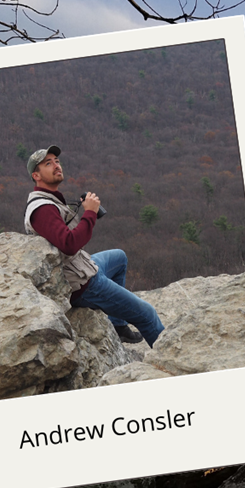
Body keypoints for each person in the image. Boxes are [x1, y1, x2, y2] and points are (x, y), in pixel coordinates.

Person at [23, 145, 164, 347]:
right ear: (36, 176)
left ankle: (118, 326)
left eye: (57, 161)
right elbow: (69, 244)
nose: (56, 165)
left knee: (119, 257)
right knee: (147, 313)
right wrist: (89, 213)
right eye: (48, 163)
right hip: (83, 285)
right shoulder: (42, 209)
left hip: (83, 267)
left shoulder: (50, 200)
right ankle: (171, 359)